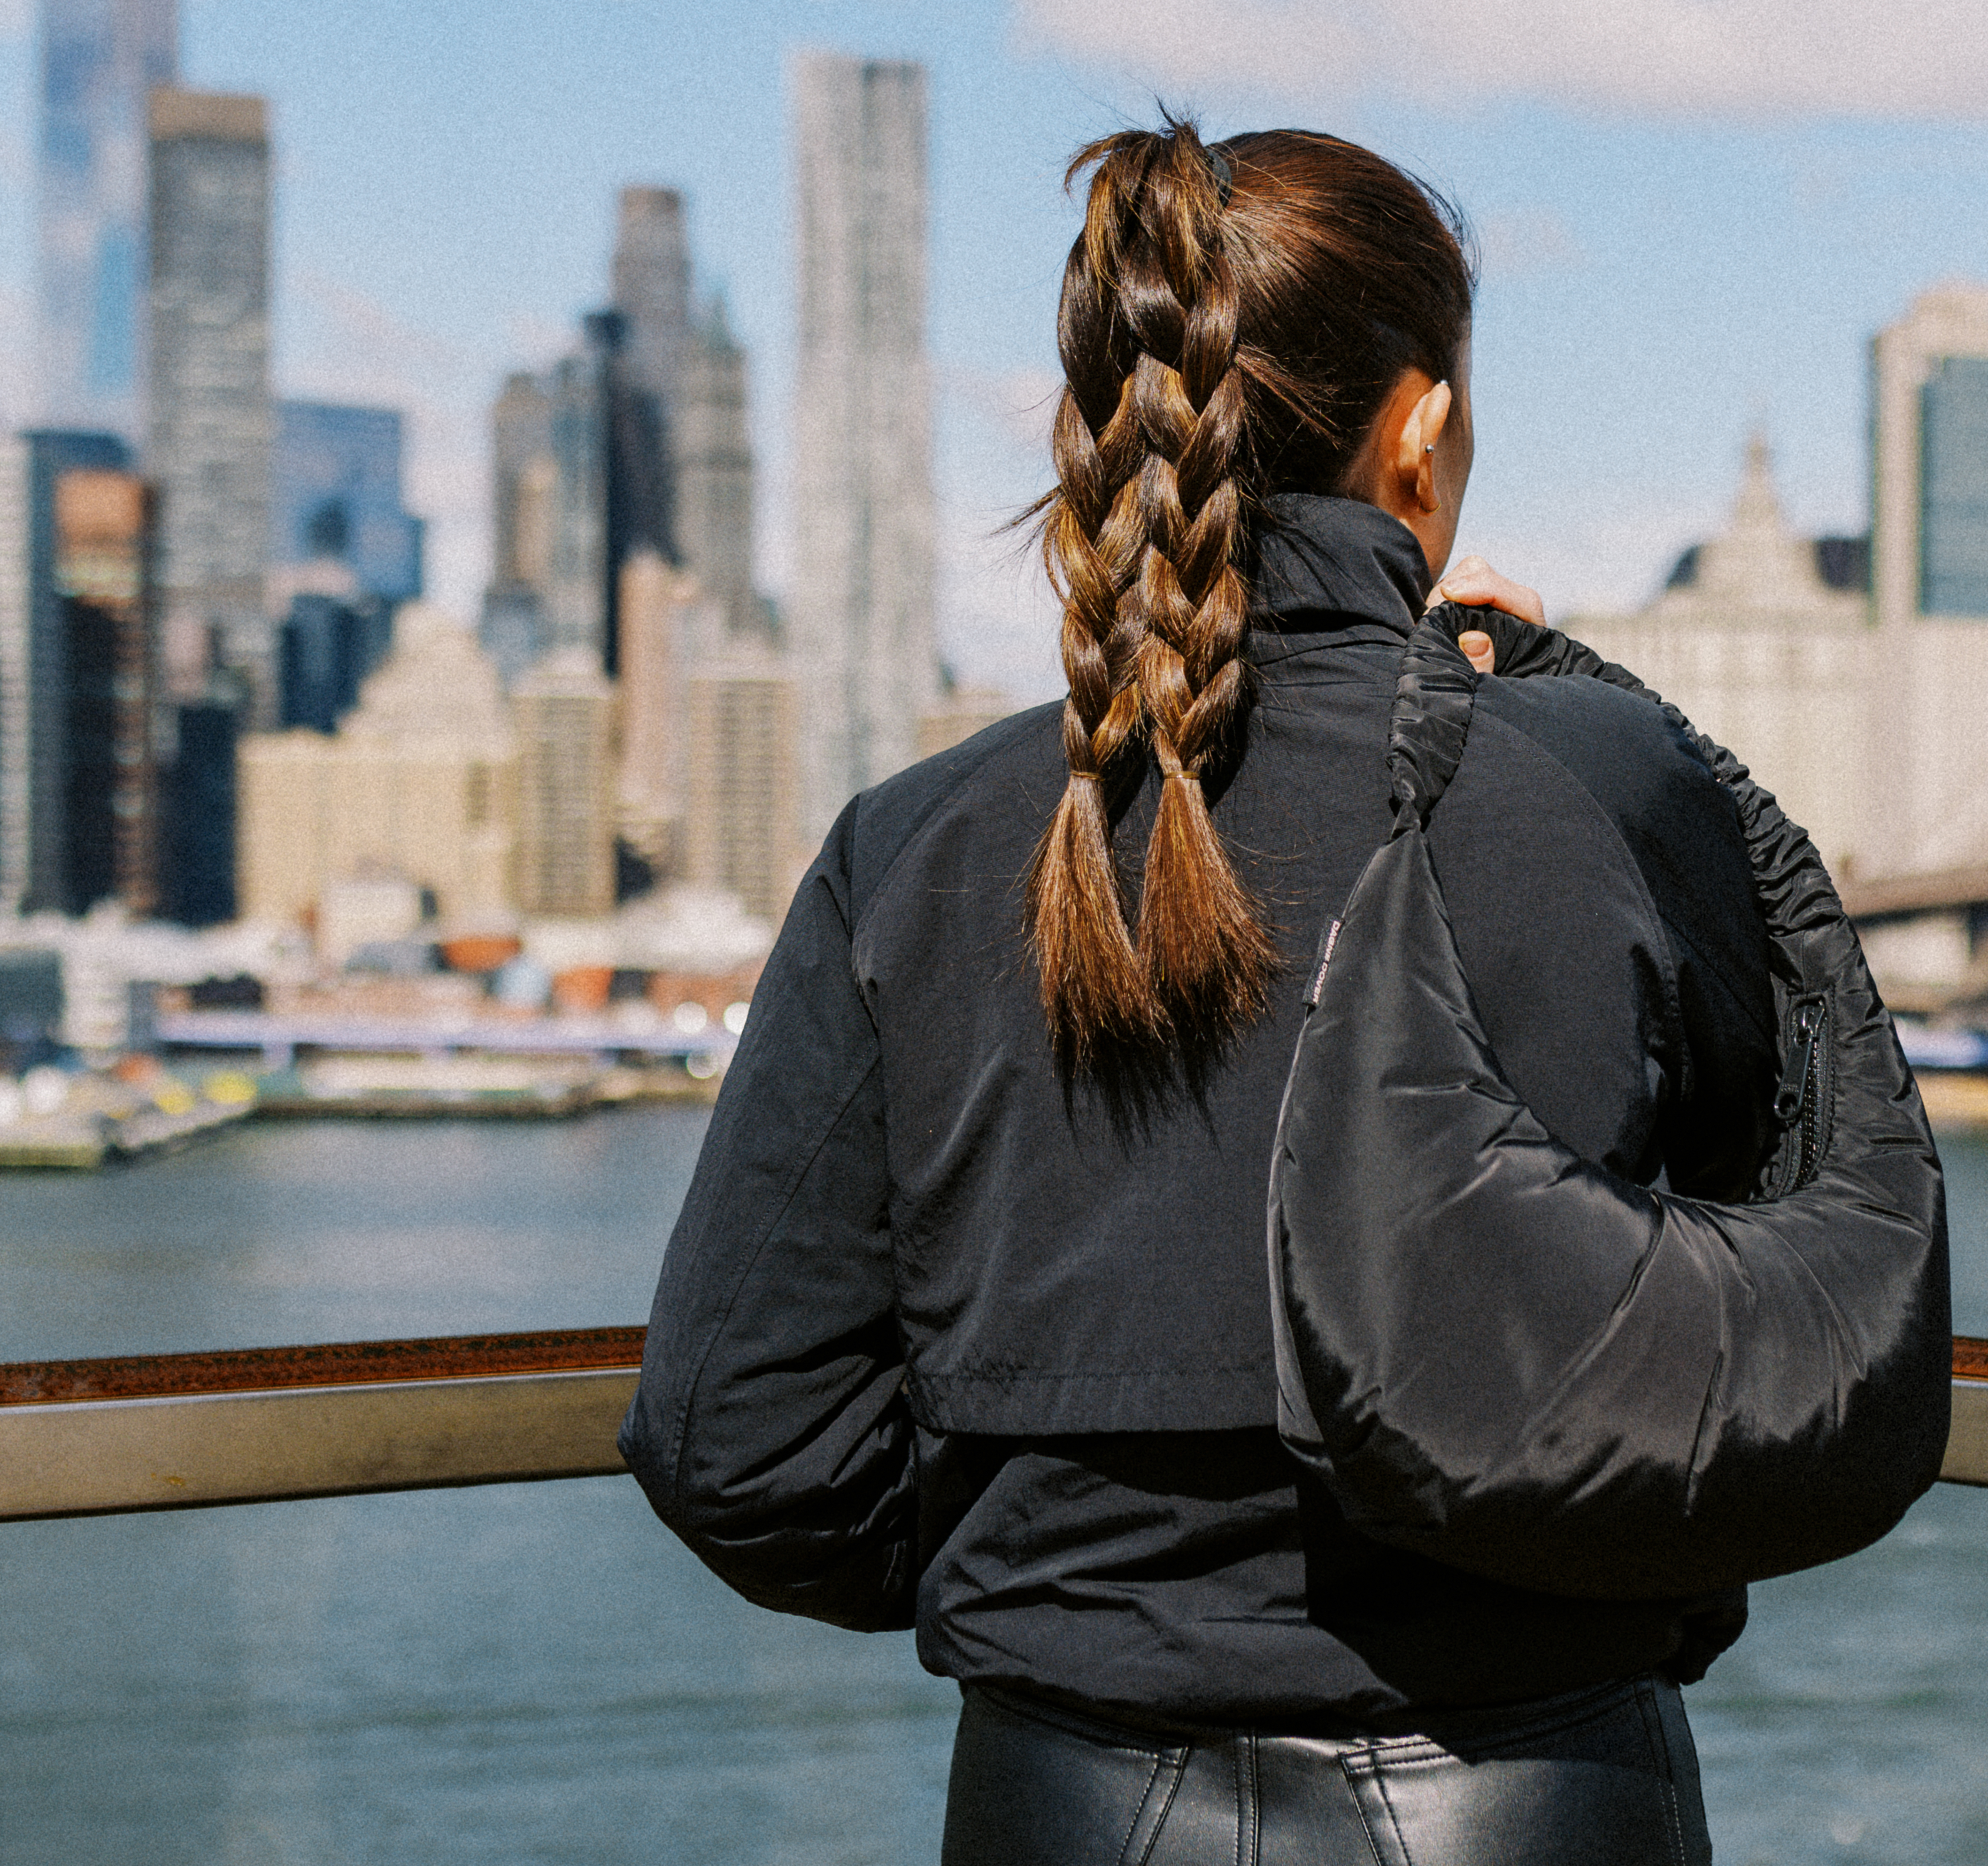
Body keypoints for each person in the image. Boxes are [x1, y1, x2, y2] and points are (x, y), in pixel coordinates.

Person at [628, 118, 1788, 1864]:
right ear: (1423, 430)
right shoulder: (1616, 797)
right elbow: (1772, 1339)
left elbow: (735, 1436)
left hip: (1069, 1807)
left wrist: (1055, 1582)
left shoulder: (920, 850)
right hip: (1538, 1797)